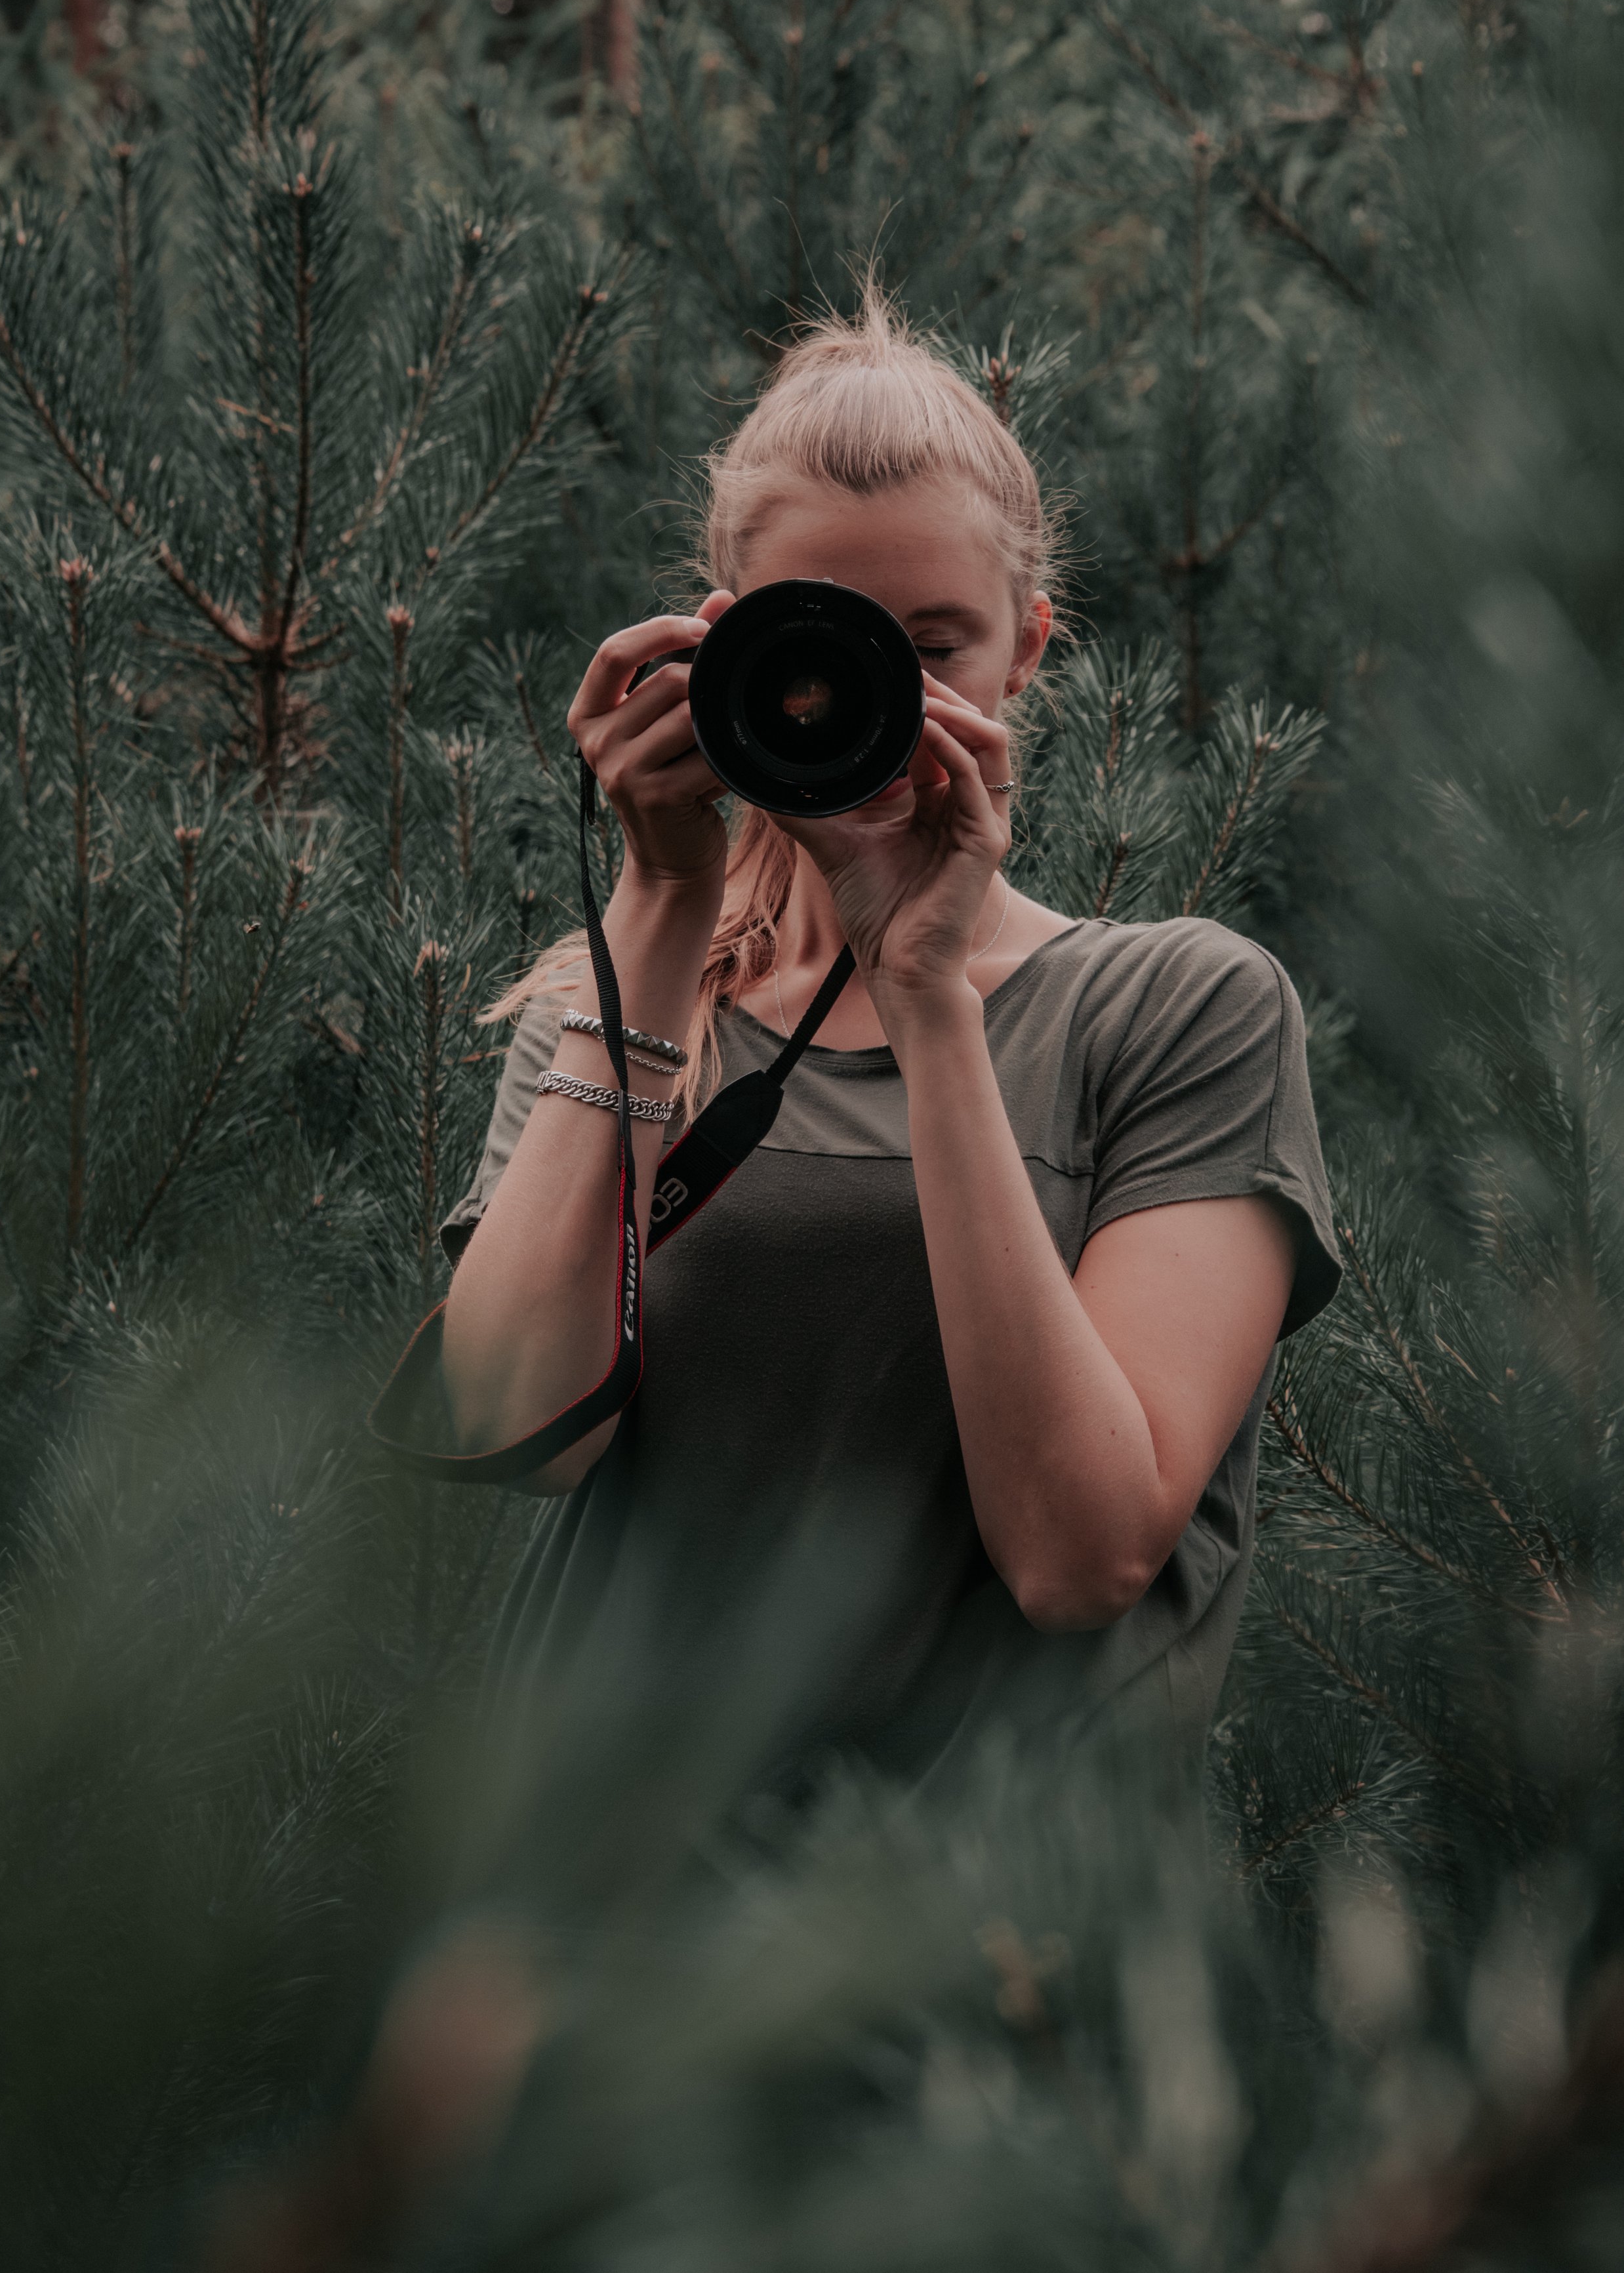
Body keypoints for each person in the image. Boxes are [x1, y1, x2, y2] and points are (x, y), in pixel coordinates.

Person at [424, 289, 1340, 1793]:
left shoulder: (1178, 1008)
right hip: (597, 1915)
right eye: (818, 646)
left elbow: (1077, 1554)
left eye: (931, 646)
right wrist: (658, 898)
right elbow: (515, 1426)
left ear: (1026, 649)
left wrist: (925, 994)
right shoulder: (610, 1002)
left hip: (973, 1941)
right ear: (713, 642)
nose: (863, 698)